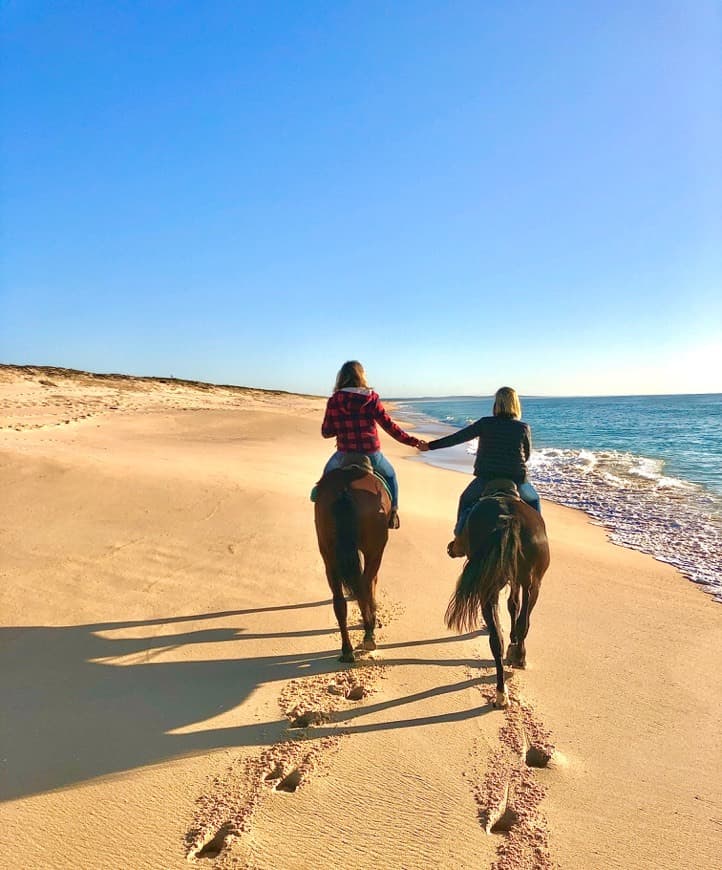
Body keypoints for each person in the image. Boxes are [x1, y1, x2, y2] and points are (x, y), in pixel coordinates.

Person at [418, 386, 541, 556]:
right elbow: (526, 456)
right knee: (534, 502)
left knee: (466, 500)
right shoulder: (523, 427)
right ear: (516, 404)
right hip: (516, 479)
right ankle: (537, 543)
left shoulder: (485, 423)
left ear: (497, 404)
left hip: (486, 479)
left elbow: (457, 438)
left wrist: (430, 446)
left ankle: (459, 540)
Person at [320, 360, 426, 529]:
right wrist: (413, 442)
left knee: (325, 479)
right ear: (361, 376)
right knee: (390, 476)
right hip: (371, 454)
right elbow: (390, 427)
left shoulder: (334, 401)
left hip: (344, 454)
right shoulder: (371, 399)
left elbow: (326, 432)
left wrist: (341, 426)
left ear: (341, 378)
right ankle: (393, 513)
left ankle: (319, 505)